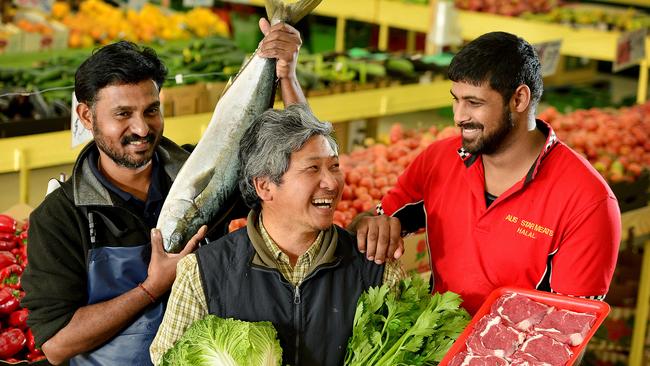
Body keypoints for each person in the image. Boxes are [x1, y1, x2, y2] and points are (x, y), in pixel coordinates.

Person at [20, 19, 308, 365]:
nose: (141, 128)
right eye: (122, 114)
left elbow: (299, 175)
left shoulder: (206, 174)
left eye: (151, 110)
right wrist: (150, 288)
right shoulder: (61, 216)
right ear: (86, 115)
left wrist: (287, 77)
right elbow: (56, 344)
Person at [356, 31, 621, 315]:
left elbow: (568, 333)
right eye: (455, 100)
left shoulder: (588, 202)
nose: (458, 116)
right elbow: (373, 221)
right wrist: (369, 226)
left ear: (519, 100)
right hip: (436, 344)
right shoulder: (438, 161)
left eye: (474, 103)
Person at [149, 104, 406, 366]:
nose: (331, 183)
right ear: (264, 186)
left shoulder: (377, 267)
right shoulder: (202, 273)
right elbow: (167, 360)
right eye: (313, 169)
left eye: (335, 166)